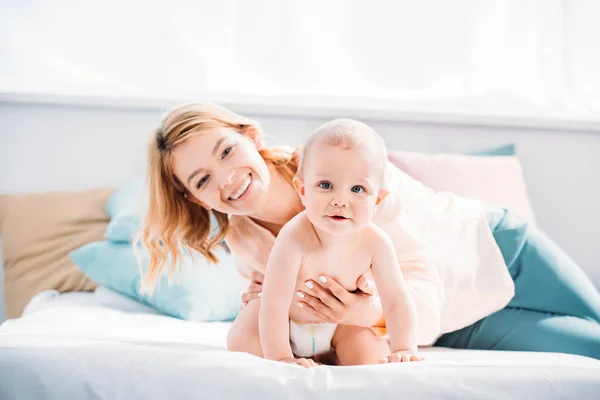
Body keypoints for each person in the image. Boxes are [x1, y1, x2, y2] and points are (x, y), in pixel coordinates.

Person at [138, 102, 600, 360]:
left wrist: (366, 310)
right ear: (195, 199)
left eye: (226, 151)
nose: (226, 178)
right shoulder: (245, 243)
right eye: (201, 180)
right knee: (589, 349)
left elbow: (416, 273)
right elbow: (319, 329)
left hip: (493, 247)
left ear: (251, 138)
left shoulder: (339, 168)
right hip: (453, 325)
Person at [259, 119, 422, 368]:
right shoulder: (293, 237)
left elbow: (397, 301)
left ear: (377, 200)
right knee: (243, 337)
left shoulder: (376, 243)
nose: (340, 200)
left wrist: (403, 348)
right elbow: (274, 304)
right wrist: (281, 356)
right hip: (287, 323)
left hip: (339, 327)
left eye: (357, 189)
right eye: (325, 185)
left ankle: (329, 356)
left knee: (370, 356)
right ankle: (291, 355)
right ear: (302, 190)